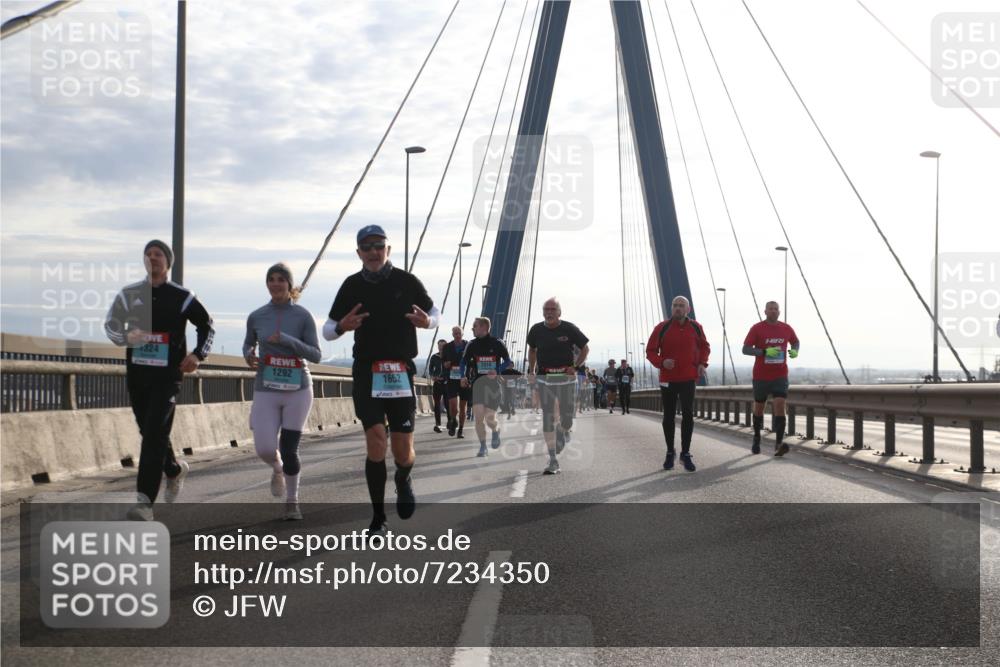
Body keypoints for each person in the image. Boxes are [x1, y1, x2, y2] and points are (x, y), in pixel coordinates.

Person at [323, 225, 439, 536]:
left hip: (400, 372)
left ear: (388, 249)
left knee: (402, 452)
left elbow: (434, 313)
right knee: (376, 441)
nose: (373, 252)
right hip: (367, 372)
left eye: (379, 246)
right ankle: (377, 519)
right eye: (367, 247)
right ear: (358, 253)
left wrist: (428, 322)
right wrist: (342, 327)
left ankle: (403, 477)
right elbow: (328, 329)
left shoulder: (407, 281)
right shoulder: (351, 285)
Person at [104, 240, 214, 521]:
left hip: (168, 377)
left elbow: (206, 324)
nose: (152, 258)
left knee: (153, 433)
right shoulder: (129, 295)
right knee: (149, 430)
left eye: (158, 254)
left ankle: (144, 504)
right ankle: (174, 469)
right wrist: (126, 337)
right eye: (148, 254)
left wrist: (198, 354)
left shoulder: (183, 296)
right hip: (138, 375)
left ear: (168, 262)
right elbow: (111, 325)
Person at [243, 263, 322, 521]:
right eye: (271, 279)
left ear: (289, 284)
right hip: (266, 387)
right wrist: (248, 355)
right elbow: (248, 344)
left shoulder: (302, 316)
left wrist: (288, 340)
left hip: (298, 388)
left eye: (281, 279)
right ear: (267, 284)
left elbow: (316, 355)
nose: (276, 284)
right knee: (265, 448)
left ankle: (292, 501)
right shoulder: (256, 316)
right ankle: (277, 469)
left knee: (289, 448)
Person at [646, 295, 710, 472]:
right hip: (668, 379)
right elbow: (650, 350)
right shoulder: (662, 327)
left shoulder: (696, 327)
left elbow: (705, 347)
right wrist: (661, 362)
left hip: (688, 378)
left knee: (688, 415)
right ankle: (669, 452)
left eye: (681, 305)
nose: (677, 308)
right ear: (671, 308)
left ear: (687, 309)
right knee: (668, 416)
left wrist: (702, 363)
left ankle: (686, 453)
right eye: (675, 305)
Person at [526, 298, 589, 475]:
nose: (549, 312)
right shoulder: (536, 330)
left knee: (567, 419)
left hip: (567, 379)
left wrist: (575, 367)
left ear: (559, 312)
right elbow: (532, 350)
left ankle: (563, 430)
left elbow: (585, 348)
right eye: (546, 309)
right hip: (545, 379)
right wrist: (531, 370)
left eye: (553, 309)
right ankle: (553, 459)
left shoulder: (569, 329)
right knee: (548, 417)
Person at [742, 301, 800, 456]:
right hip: (761, 375)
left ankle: (779, 444)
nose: (773, 311)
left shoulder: (786, 328)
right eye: (771, 309)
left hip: (780, 375)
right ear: (765, 311)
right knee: (759, 407)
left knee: (780, 405)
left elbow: (795, 342)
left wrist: (795, 351)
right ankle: (756, 438)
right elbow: (745, 349)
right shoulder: (757, 328)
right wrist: (765, 352)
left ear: (779, 312)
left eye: (776, 309)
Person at [461, 317, 511, 457]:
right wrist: (462, 376)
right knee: (478, 418)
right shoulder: (471, 344)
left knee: (490, 419)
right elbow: (463, 362)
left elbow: (508, 361)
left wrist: (497, 370)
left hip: (493, 385)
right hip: (478, 384)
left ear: (483, 327)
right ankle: (483, 446)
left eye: (474, 326)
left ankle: (495, 431)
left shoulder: (497, 343)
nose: (472, 329)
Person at [442, 326, 471, 438]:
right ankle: (453, 421)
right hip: (452, 379)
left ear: (462, 334)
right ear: (452, 335)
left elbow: (473, 361)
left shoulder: (468, 345)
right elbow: (443, 362)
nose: (457, 335)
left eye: (459, 333)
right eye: (455, 334)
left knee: (463, 408)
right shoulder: (447, 347)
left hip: (464, 380)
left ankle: (461, 430)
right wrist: (447, 364)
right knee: (454, 406)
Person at [427, 339, 450, 433]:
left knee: (447, 404)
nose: (441, 347)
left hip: (447, 383)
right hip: (437, 383)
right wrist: (433, 376)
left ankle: (450, 422)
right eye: (440, 346)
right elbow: (430, 368)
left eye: (443, 346)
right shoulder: (434, 357)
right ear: (438, 346)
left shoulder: (449, 357)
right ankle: (438, 424)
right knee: (436, 404)